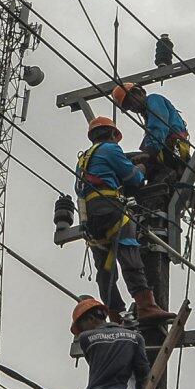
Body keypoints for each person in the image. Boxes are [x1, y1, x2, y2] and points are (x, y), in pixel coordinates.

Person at [75, 116, 176, 323]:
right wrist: (142, 168)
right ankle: (147, 306)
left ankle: (115, 314)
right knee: (130, 254)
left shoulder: (83, 159)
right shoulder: (111, 150)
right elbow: (133, 179)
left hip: (91, 218)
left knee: (104, 269)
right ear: (113, 134)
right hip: (110, 210)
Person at [60, 297, 150, 389]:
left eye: (82, 326)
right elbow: (144, 375)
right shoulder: (136, 338)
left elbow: (98, 362)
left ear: (91, 318)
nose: (81, 331)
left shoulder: (86, 338)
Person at [112, 83, 190, 184]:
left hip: (171, 150)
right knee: (127, 161)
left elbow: (159, 124)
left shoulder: (153, 99)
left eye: (130, 102)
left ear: (140, 93)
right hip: (165, 150)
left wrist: (149, 152)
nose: (132, 108)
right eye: (128, 107)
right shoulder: (147, 114)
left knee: (128, 160)